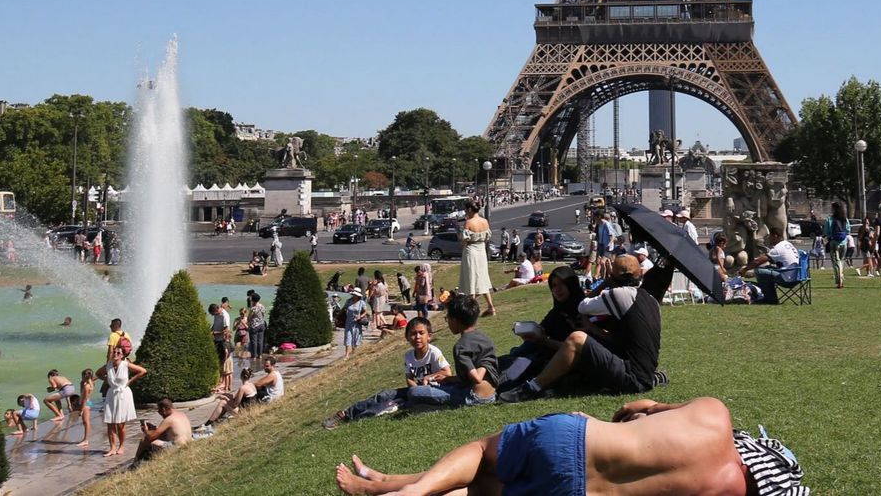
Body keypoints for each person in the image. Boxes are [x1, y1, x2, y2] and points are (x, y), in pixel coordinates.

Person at [331, 397, 807, 496]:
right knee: (484, 494)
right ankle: (385, 485)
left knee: (481, 453)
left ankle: (409, 493)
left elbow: (640, 410)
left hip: (574, 437)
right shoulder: (727, 493)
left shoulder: (714, 413)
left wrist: (634, 413)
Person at [498, 255, 660, 402]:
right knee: (517, 354)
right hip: (643, 374)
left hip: (632, 377)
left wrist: (606, 282)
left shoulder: (620, 294)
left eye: (562, 284)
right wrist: (592, 329)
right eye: (554, 286)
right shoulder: (651, 300)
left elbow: (582, 306)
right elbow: (623, 343)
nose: (557, 290)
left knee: (577, 338)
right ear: (640, 274)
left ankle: (531, 389)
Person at [325, 317, 454, 427]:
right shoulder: (409, 355)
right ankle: (345, 414)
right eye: (413, 334)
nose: (417, 337)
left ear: (429, 336)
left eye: (421, 333)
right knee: (384, 395)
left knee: (388, 405)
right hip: (414, 391)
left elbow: (447, 373)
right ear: (407, 337)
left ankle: (355, 419)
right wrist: (414, 390)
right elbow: (409, 377)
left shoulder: (434, 352)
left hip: (434, 391)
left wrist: (429, 378)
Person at [99, 342, 146, 457]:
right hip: (111, 394)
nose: (115, 354)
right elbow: (98, 373)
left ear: (122, 355)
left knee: (120, 424)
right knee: (110, 423)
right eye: (114, 352)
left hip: (123, 394)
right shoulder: (108, 365)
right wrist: (106, 380)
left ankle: (121, 446)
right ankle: (112, 448)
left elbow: (142, 371)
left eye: (118, 353)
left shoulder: (126, 364)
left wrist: (130, 381)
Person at [462, 201, 498, 316]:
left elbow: (464, 240)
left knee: (471, 278)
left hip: (471, 250)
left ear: (470, 210)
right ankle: (491, 307)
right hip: (481, 249)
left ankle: (471, 310)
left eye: (466, 210)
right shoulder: (485, 221)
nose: (465, 212)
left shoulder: (468, 222)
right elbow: (487, 237)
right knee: (482, 277)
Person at [750, 236, 803, 304]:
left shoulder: (778, 248)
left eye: (770, 238)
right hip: (797, 277)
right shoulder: (788, 244)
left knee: (759, 271)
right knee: (767, 269)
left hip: (787, 280)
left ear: (775, 236)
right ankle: (771, 298)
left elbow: (758, 262)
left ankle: (770, 299)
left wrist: (745, 269)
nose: (769, 240)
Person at [826, 202, 850, 288]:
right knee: (841, 261)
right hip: (843, 242)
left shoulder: (830, 219)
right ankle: (841, 278)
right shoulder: (845, 219)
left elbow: (826, 231)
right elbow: (848, 230)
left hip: (834, 242)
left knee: (836, 262)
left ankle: (839, 280)